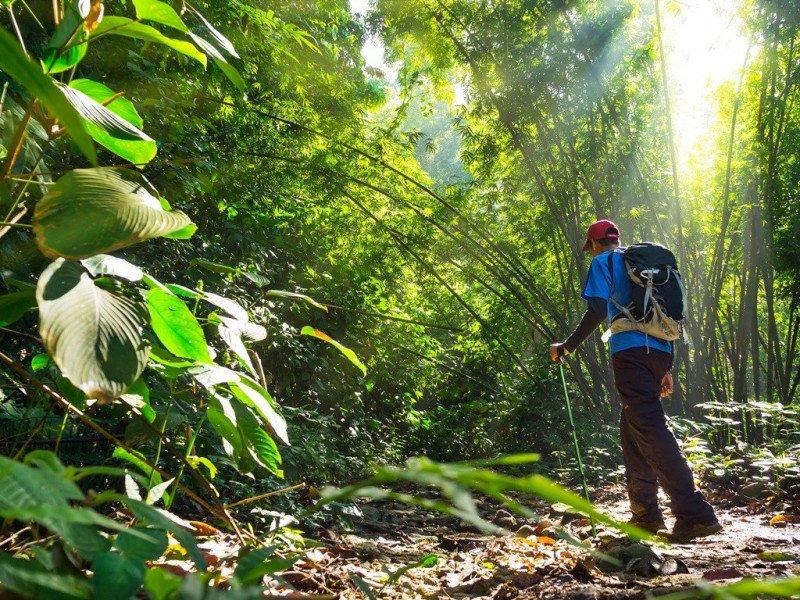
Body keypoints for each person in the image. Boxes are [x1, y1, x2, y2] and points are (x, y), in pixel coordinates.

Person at [550, 219, 721, 542]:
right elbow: (664, 316)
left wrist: (567, 346)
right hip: (658, 352)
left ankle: (695, 514)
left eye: (591, 247)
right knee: (633, 430)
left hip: (629, 353)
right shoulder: (642, 265)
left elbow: (598, 310)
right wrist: (666, 368)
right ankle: (645, 515)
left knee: (652, 429)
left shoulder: (604, 262)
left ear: (595, 244)